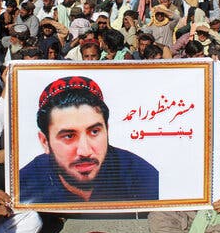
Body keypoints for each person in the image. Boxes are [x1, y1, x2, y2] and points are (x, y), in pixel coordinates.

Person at [19, 76, 159, 203]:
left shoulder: (141, 176)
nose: (85, 151)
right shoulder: (25, 183)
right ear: (45, 142)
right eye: (69, 136)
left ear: (107, 130)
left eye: (94, 132)